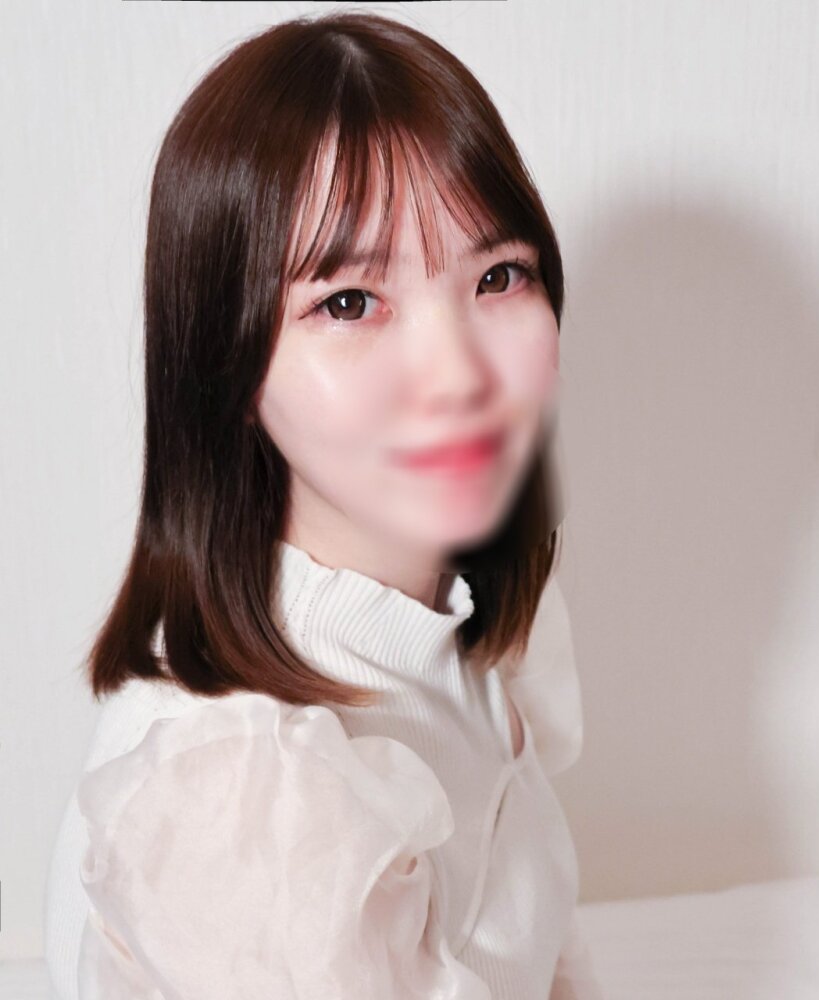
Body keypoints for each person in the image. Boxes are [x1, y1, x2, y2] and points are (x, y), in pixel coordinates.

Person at [43, 10, 603, 1000]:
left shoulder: (469, 607)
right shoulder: (243, 799)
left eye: (498, 276)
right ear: (227, 364)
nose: (459, 374)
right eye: (348, 302)